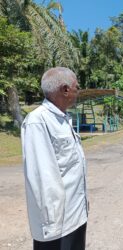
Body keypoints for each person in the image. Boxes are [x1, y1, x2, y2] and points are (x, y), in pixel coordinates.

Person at [21, 67, 88, 250]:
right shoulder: (38, 121)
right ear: (65, 89)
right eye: (77, 87)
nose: (78, 91)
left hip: (76, 216)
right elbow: (43, 180)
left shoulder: (63, 119)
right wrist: (52, 226)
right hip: (57, 226)